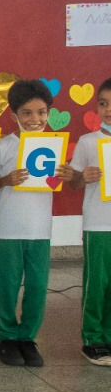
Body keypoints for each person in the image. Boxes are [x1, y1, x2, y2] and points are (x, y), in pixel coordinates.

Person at [0, 79, 57, 368]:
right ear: (14, 115)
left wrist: (65, 176)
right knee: (6, 284)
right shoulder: (5, 146)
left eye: (42, 112)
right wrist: (7, 180)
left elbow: (52, 181)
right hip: (10, 228)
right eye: (28, 113)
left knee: (38, 286)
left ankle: (28, 338)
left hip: (41, 229)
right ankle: (7, 337)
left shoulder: (54, 145)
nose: (36, 119)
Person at [64, 78, 111, 365]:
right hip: (99, 225)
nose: (108, 110)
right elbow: (73, 183)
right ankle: (92, 339)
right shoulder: (88, 141)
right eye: (103, 104)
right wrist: (84, 177)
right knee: (97, 283)